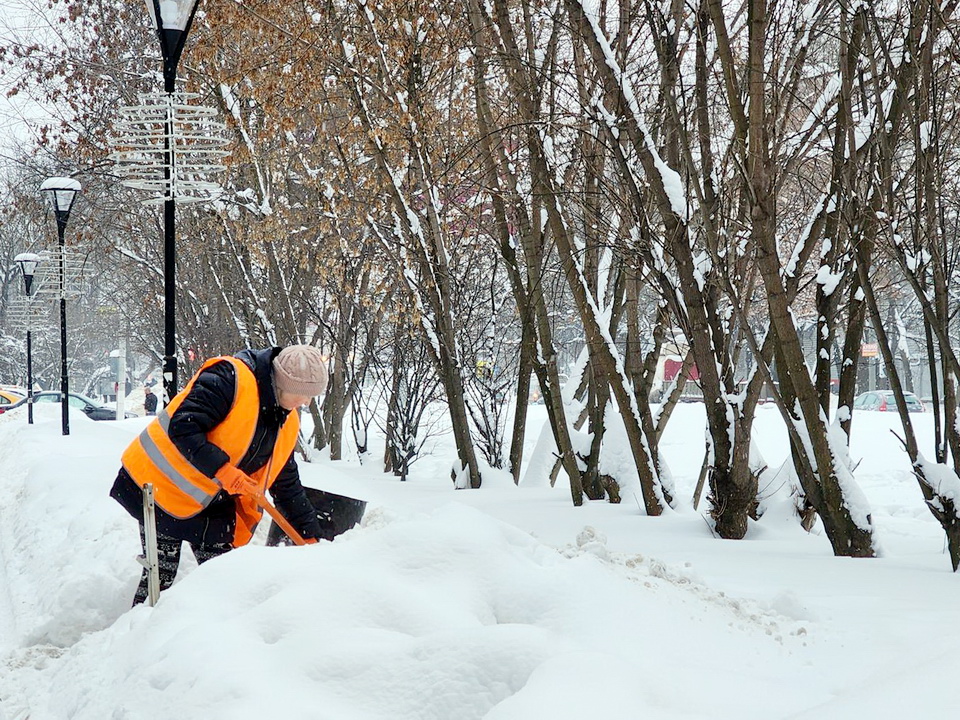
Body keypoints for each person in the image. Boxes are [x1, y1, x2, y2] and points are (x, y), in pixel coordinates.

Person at [110, 345, 328, 605]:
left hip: (211, 501)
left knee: (223, 582)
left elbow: (286, 481)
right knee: (161, 576)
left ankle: (211, 641)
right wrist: (222, 470)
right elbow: (183, 426)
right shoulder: (229, 379)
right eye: (301, 395)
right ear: (281, 383)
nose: (306, 403)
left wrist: (309, 535)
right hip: (158, 488)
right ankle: (140, 634)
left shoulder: (285, 420)